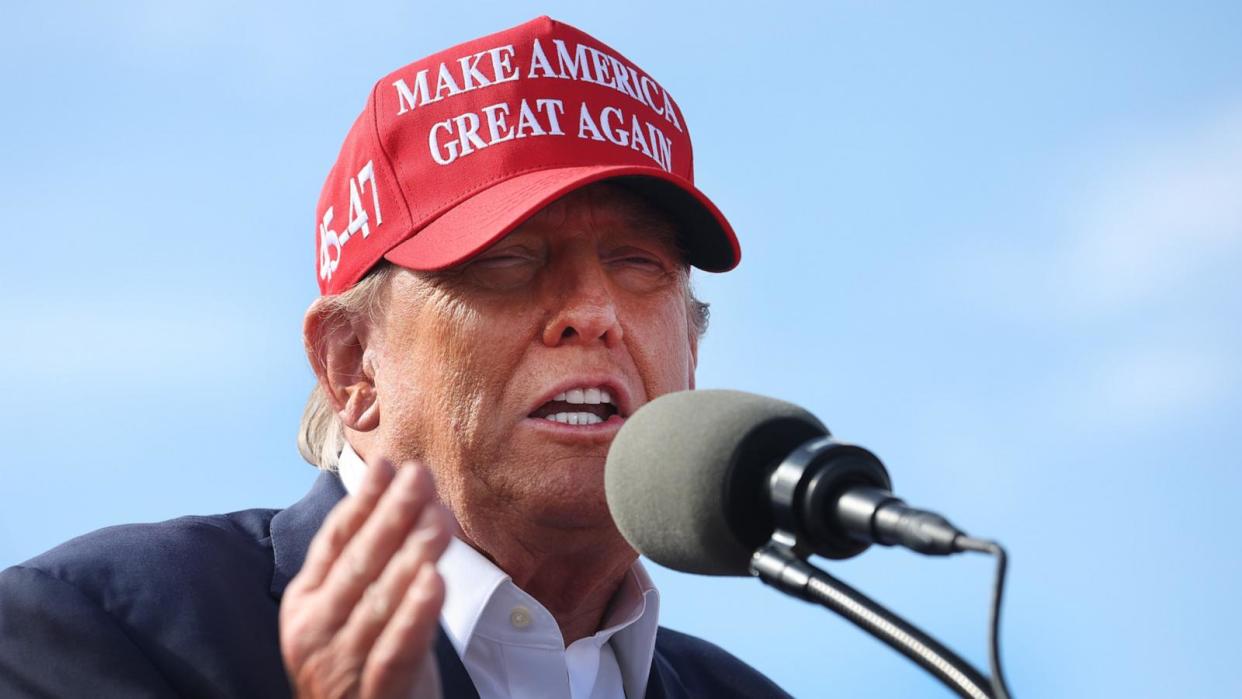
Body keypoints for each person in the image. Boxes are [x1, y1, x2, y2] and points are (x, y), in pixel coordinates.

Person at [0, 16, 790, 699]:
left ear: (692, 350)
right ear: (352, 363)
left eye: (639, 263)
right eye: (508, 259)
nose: (593, 312)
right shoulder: (90, 628)